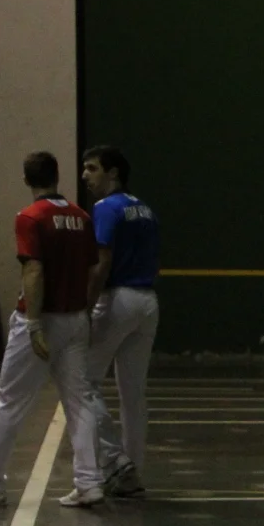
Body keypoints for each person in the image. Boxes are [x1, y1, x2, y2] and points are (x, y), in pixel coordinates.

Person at [0, 152, 104, 509]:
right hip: (75, 318)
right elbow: (93, 270)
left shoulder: (30, 217)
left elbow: (33, 270)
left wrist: (34, 323)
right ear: (57, 176)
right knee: (80, 401)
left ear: (26, 179)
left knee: (10, 402)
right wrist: (84, 312)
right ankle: (89, 482)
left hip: (39, 320)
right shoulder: (82, 218)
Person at [80, 146, 160, 498]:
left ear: (113, 173)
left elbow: (102, 261)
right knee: (133, 392)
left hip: (117, 299)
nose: (85, 175)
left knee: (81, 382)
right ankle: (133, 473)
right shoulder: (146, 210)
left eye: (92, 168)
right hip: (148, 301)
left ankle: (114, 460)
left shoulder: (105, 207)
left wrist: (86, 307)